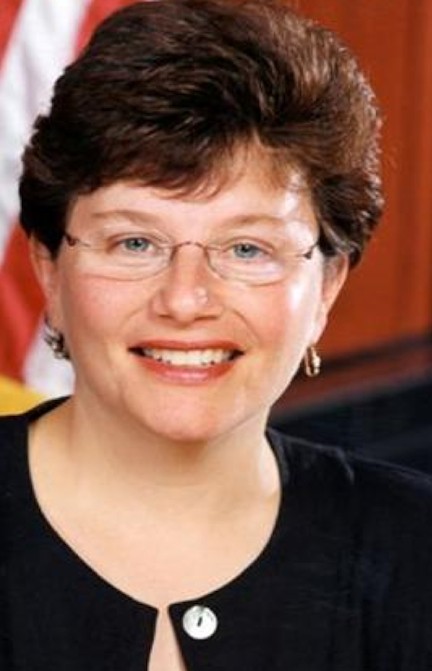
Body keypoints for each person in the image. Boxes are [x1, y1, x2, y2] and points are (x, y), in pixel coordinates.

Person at [1, 0, 432, 669]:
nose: (185, 300)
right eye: (135, 242)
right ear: (49, 271)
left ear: (325, 286)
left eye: (248, 249)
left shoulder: (416, 551)